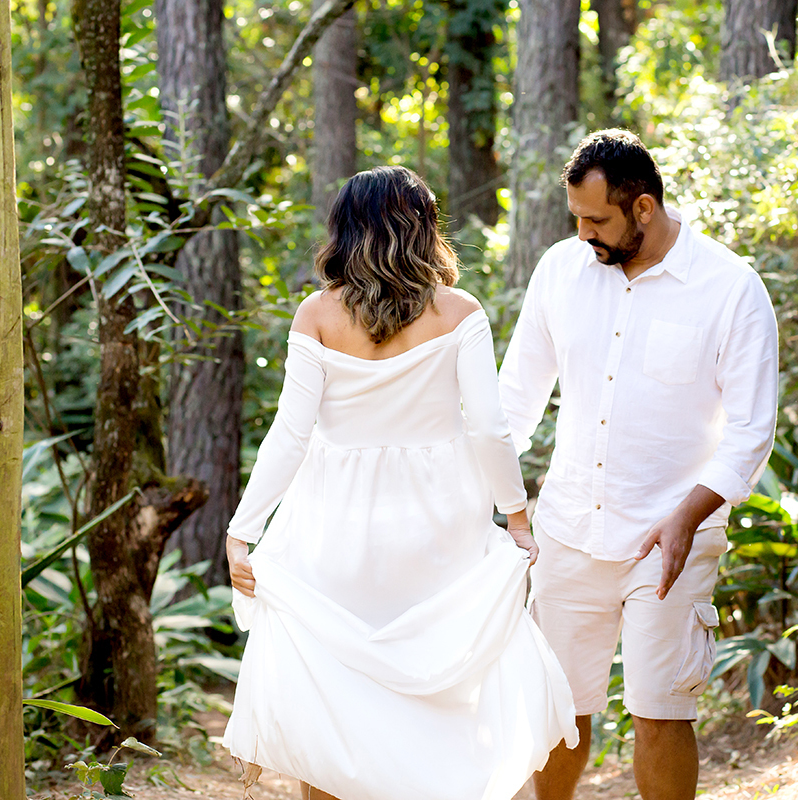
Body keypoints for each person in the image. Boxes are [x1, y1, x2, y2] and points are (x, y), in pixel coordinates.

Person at [221, 166, 578, 800]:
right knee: (443, 691)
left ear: (346, 231)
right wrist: (516, 517)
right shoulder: (459, 312)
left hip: (334, 525)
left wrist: (242, 530)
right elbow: (489, 431)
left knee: (333, 698)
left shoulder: (317, 315)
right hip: (439, 523)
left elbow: (290, 435)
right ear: (422, 228)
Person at [499, 130, 779, 800]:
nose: (582, 233)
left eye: (597, 220)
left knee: (660, 712)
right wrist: (485, 494)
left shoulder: (730, 288)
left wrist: (687, 517)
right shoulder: (560, 272)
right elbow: (514, 399)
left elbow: (749, 431)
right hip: (567, 531)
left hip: (672, 535)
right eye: (576, 217)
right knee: (560, 711)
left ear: (644, 209)